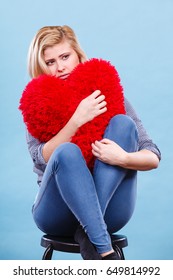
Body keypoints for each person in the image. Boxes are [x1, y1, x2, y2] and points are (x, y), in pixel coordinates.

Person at [22, 25, 161, 260]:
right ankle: (105, 251)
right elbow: (40, 157)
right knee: (67, 152)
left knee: (123, 124)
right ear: (40, 66)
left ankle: (89, 232)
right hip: (57, 213)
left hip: (110, 212)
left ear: (78, 54)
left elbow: (153, 155)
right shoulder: (38, 102)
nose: (60, 67)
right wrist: (76, 120)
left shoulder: (106, 92)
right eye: (50, 62)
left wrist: (124, 158)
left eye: (65, 57)